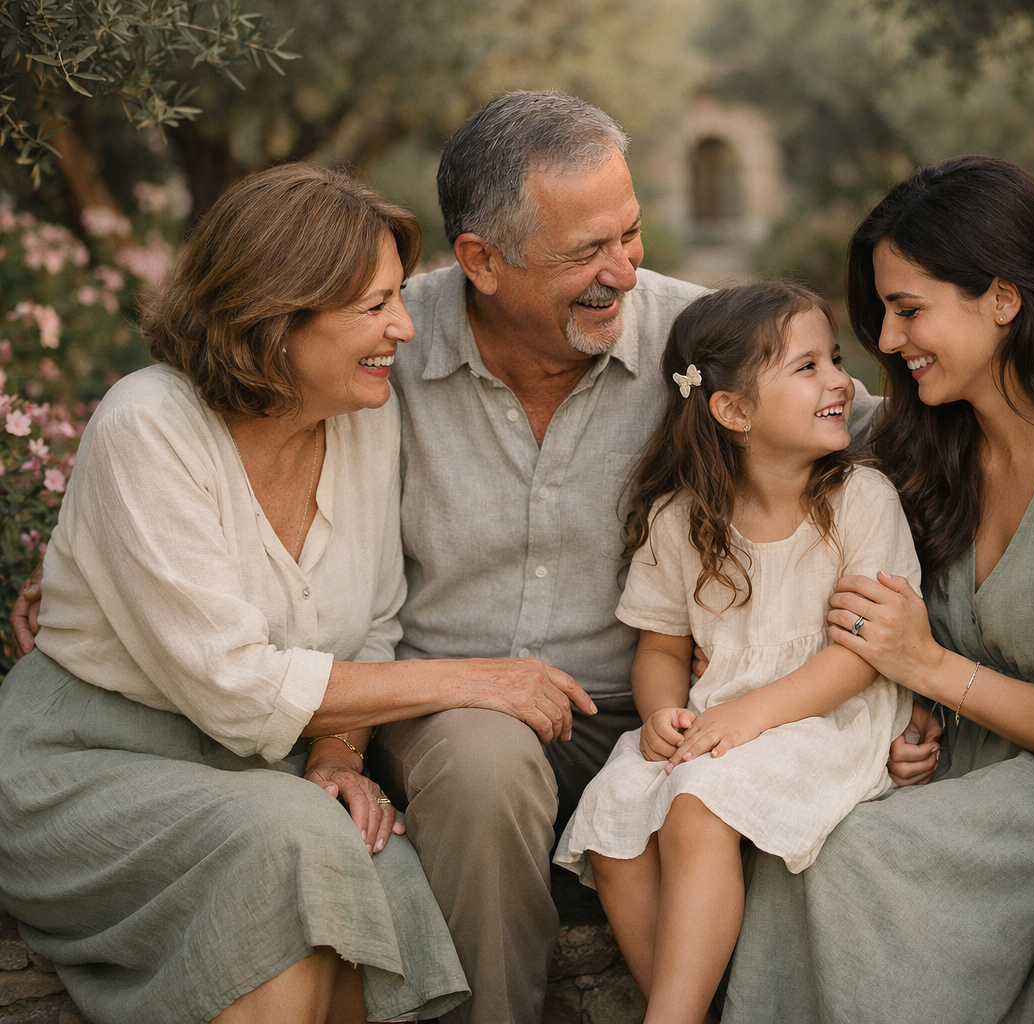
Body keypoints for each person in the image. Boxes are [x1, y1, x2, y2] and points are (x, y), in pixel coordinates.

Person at [0, 165, 597, 1024]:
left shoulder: (362, 417)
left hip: (271, 775)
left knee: (375, 884)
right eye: (373, 306)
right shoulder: (149, 426)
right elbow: (236, 686)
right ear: (275, 319)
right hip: (95, 767)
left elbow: (372, 624)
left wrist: (335, 758)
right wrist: (478, 678)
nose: (403, 327)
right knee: (294, 849)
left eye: (399, 297)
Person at [368, 91, 884, 1024]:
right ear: (480, 260)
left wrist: (926, 675)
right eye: (584, 254)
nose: (623, 273)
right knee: (485, 769)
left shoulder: (705, 348)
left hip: (662, 713)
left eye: (631, 234)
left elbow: (882, 435)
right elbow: (245, 412)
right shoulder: (388, 345)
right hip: (457, 707)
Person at [722, 155, 1034, 1024]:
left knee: (855, 857)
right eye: (882, 313)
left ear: (1002, 299)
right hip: (966, 769)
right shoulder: (926, 450)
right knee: (787, 836)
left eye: (909, 310)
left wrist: (927, 669)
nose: (885, 341)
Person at [554, 281, 920, 1023]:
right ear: (733, 411)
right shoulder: (682, 518)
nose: (840, 382)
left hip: (830, 716)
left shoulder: (861, 500)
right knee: (613, 814)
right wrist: (661, 715)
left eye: (835, 359)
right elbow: (661, 647)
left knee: (694, 806)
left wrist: (751, 716)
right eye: (807, 367)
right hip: (720, 720)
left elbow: (860, 655)